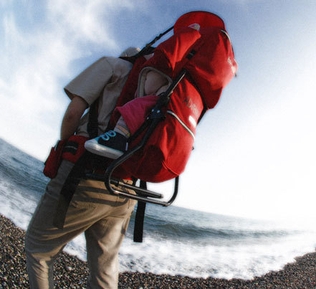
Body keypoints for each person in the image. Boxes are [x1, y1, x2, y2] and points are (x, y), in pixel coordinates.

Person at [25, 47, 141, 289]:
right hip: (126, 188)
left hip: (84, 173)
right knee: (105, 268)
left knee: (38, 250)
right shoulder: (152, 86)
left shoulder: (112, 65)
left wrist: (63, 147)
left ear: (125, 56)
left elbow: (73, 114)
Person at [84, 23, 201, 159]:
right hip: (175, 121)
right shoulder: (193, 79)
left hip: (90, 155)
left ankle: (118, 138)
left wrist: (191, 30)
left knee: (139, 105)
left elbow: (73, 112)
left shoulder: (114, 64)